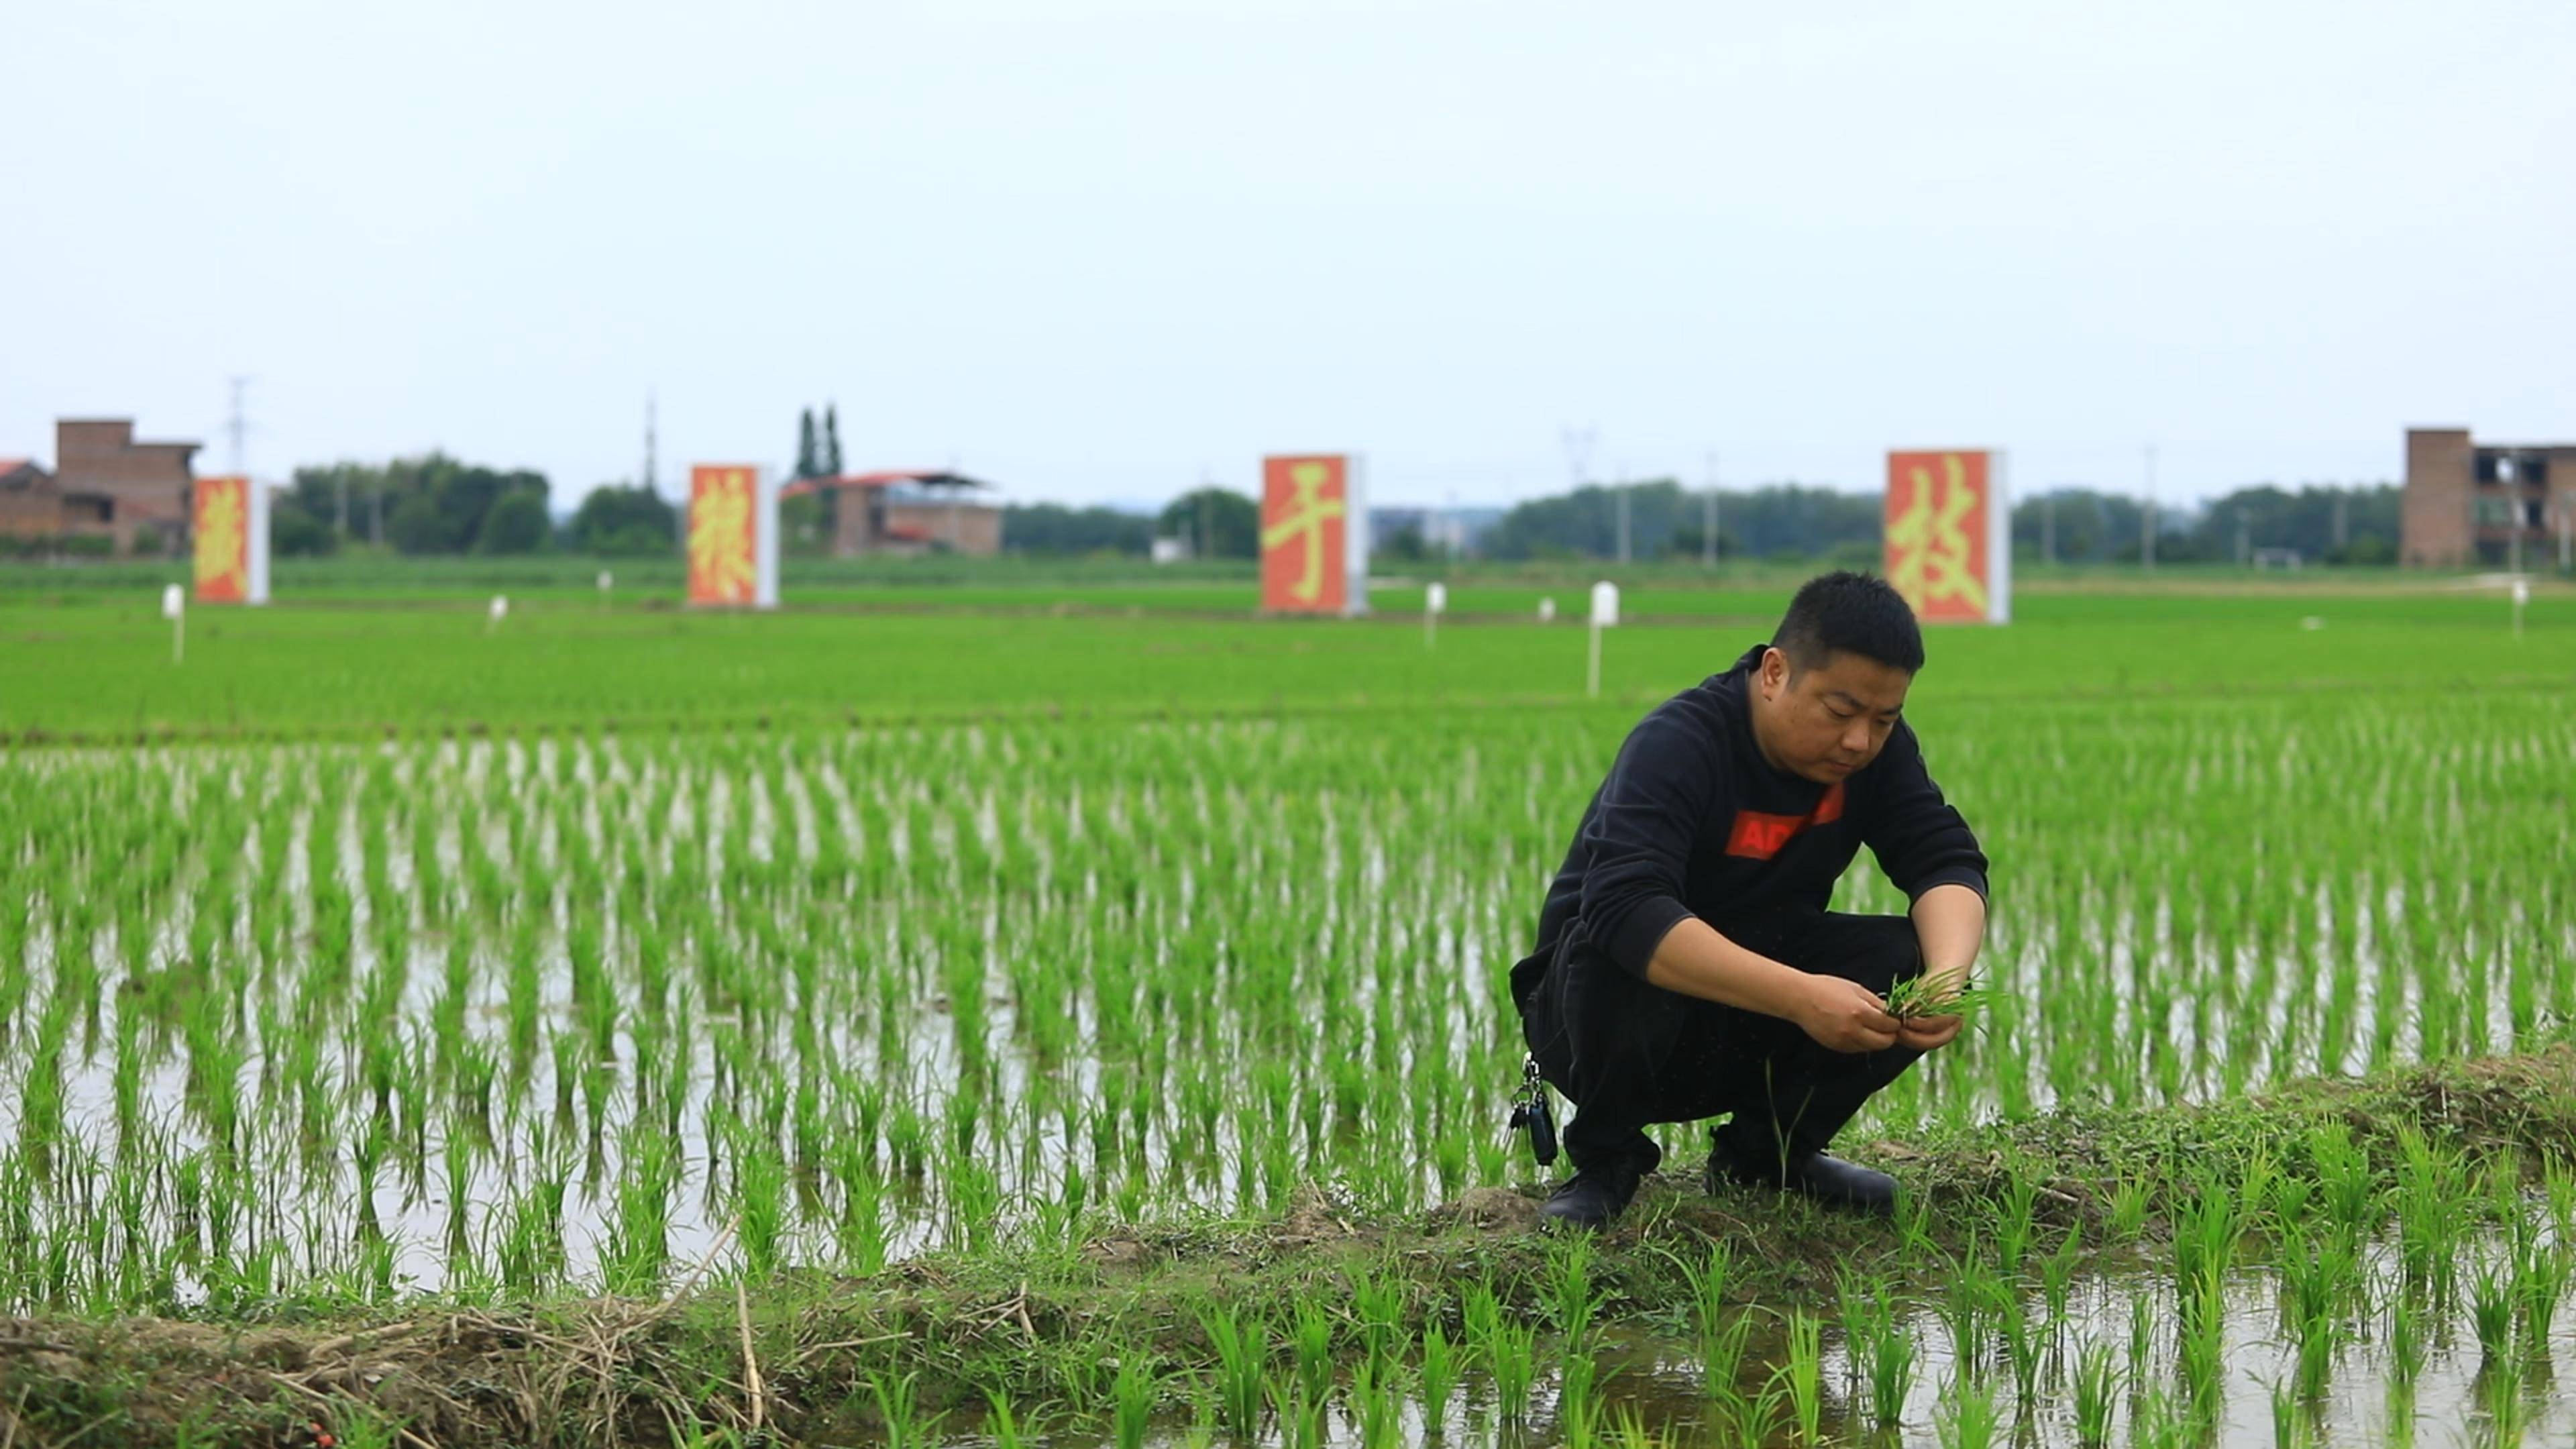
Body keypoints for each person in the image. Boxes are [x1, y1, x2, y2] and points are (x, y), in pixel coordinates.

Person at [1509, 571, 1989, 1228]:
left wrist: (1945, 982)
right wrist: (1801, 996)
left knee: (1909, 954)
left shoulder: (1876, 758)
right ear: (1774, 672)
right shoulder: (1681, 743)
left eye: (1885, 718)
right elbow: (1626, 907)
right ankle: (1607, 1159)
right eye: (1841, 711)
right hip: (1594, 1021)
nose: (1860, 741)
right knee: (1618, 937)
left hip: (1748, 1015)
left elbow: (1943, 858)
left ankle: (1766, 1155)